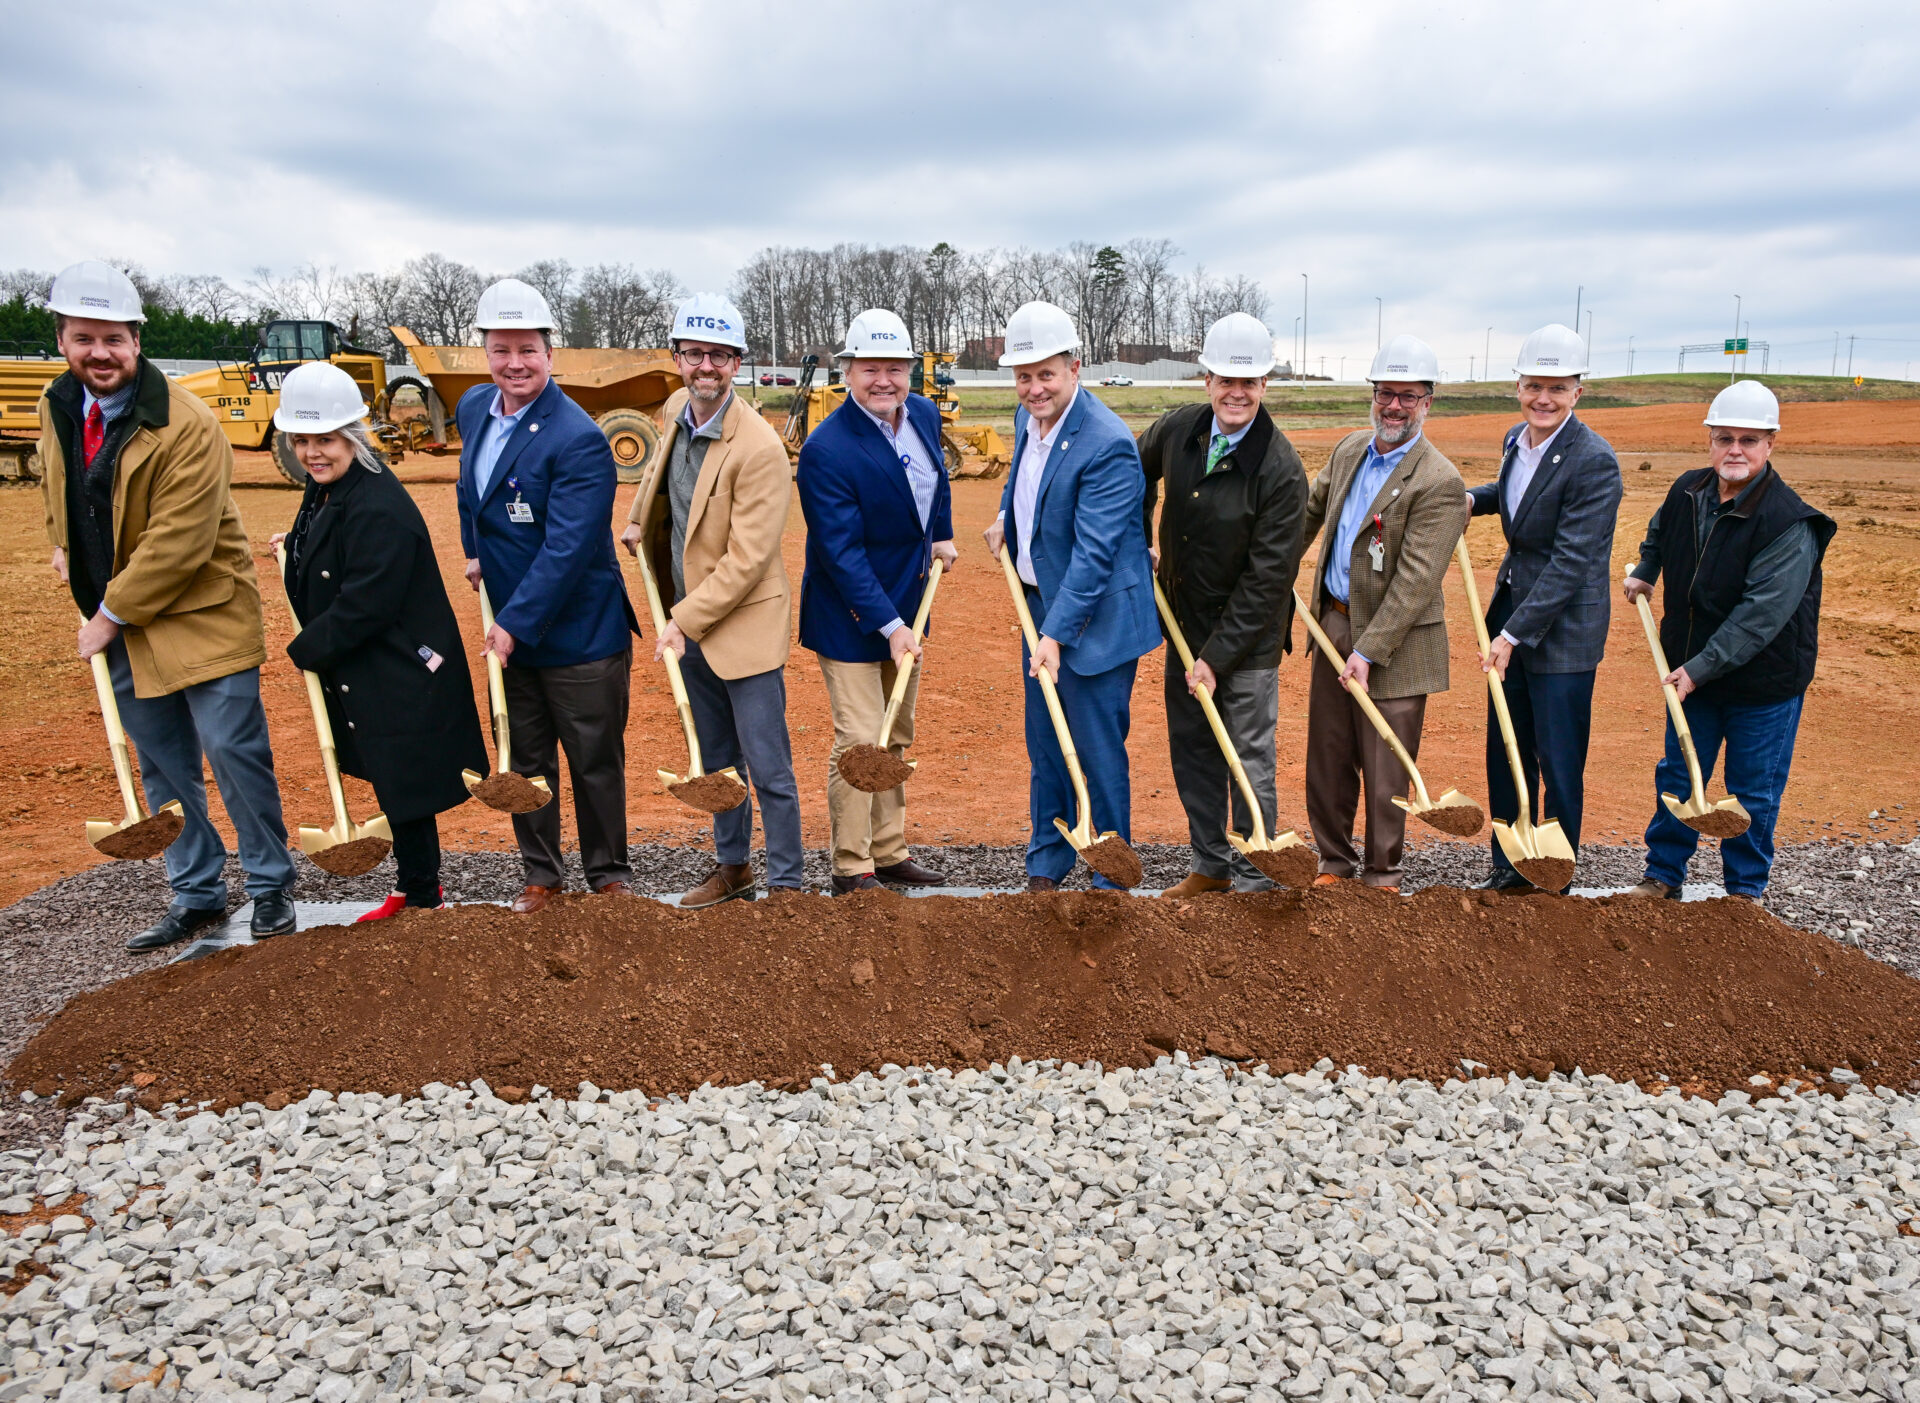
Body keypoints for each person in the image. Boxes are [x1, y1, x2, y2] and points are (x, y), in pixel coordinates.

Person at [38, 260, 297, 952]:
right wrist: (64, 543)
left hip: (199, 610)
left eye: (114, 339)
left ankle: (270, 885)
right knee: (161, 761)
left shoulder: (187, 423)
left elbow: (178, 541)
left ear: (137, 340)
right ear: (62, 336)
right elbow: (57, 480)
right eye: (85, 337)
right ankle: (197, 891)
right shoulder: (57, 404)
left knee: (232, 749)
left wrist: (107, 614)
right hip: (122, 615)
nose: (100, 353)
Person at [269, 363, 488, 920]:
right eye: (302, 440)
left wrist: (305, 653)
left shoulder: (377, 502)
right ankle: (417, 890)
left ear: (352, 436)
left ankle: (422, 896)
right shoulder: (331, 488)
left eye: (325, 439)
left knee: (405, 782)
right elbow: (331, 550)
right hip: (370, 665)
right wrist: (296, 545)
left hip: (400, 665)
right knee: (395, 782)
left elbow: (367, 602)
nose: (313, 452)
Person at [456, 278, 640, 913]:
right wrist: (474, 551)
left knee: (594, 762)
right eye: (502, 349)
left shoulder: (579, 438)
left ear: (549, 353)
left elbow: (566, 551)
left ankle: (608, 875)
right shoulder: (475, 408)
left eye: (527, 350)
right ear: (486, 351)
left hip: (580, 635)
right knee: (525, 761)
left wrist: (511, 624)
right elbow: (470, 492)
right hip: (511, 633)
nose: (515, 363)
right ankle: (541, 876)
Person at [619, 294, 803, 906]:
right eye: (694, 353)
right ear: (677, 359)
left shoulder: (760, 449)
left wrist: (681, 620)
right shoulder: (676, 408)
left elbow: (748, 561)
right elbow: (655, 473)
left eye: (718, 356)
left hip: (739, 623)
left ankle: (786, 883)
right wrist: (638, 518)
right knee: (715, 759)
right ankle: (733, 869)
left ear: (736, 363)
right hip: (687, 614)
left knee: (766, 764)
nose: (705, 366)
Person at [1623, 381, 1834, 901]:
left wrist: (1698, 669)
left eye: (1748, 439)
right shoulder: (1689, 490)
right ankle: (1663, 876)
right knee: (1678, 774)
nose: (1734, 450)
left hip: (1762, 682)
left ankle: (1744, 894)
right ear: (1710, 441)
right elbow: (1659, 531)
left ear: (1770, 444)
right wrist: (1647, 568)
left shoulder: (1789, 522)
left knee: (1752, 791)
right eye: (1724, 438)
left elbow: (1761, 616)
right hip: (1693, 671)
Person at [981, 301, 1158, 891]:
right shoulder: (1025, 418)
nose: (1034, 387)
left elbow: (1095, 554)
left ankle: (1111, 877)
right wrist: (1007, 514)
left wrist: (1055, 634)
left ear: (1075, 368)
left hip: (1095, 619)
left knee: (1096, 748)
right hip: (1042, 606)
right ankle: (1046, 866)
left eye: (1046, 374)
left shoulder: (1106, 443)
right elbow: (1025, 479)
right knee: (1046, 744)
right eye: (1024, 375)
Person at [1138, 312, 1307, 895]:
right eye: (1225, 380)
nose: (1237, 393)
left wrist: (1217, 658)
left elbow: (1268, 580)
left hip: (1248, 641)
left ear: (1265, 385)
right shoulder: (1180, 430)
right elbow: (1133, 474)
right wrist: (1141, 542)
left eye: (1251, 381)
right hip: (1185, 624)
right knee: (1193, 750)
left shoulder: (1281, 471)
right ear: (1206, 379)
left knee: (1247, 755)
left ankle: (1256, 875)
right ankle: (1210, 868)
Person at [1297, 336, 1468, 891]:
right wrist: (1261, 565)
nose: (1394, 406)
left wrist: (1369, 651)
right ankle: (1333, 863)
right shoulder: (1349, 450)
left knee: (1385, 760)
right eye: (1385, 394)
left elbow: (1417, 581)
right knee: (1329, 750)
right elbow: (1307, 514)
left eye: (1407, 397)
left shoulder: (1438, 480)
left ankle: (1382, 872)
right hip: (1337, 620)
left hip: (1396, 641)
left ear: (1428, 402)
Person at [797, 310, 958, 894]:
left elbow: (935, 480)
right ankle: (851, 864)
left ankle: (889, 851)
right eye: (871, 369)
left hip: (910, 604)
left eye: (895, 368)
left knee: (896, 733)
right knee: (862, 737)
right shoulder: (827, 450)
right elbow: (840, 553)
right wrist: (888, 624)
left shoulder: (920, 414)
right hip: (851, 614)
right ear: (847, 372)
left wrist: (940, 532)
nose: (884, 380)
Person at [1465, 324, 1622, 891]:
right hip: (1513, 611)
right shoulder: (1517, 437)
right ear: (1519, 386)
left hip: (1561, 629)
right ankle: (1509, 864)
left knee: (1555, 757)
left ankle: (1553, 871)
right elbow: (1517, 497)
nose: (1544, 398)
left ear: (1578, 391)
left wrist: (1511, 634)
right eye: (1534, 385)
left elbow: (1572, 561)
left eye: (1557, 387)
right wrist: (1471, 500)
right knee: (1506, 746)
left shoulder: (1594, 461)